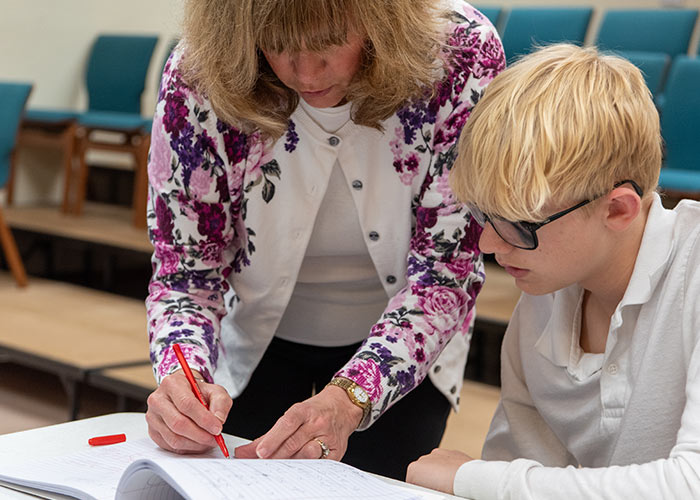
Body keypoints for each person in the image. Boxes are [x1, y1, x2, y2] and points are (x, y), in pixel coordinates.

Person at [144, 0, 505, 480]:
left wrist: (350, 397)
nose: (305, 72)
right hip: (252, 339)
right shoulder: (202, 70)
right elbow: (186, 274)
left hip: (406, 348)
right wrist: (181, 375)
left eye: (328, 43)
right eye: (276, 44)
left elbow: (445, 273)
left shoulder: (459, 54)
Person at [406, 43, 700, 497]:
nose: (487, 244)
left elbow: (690, 482)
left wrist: (471, 477)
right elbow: (521, 472)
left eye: (519, 225)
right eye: (485, 216)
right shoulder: (544, 296)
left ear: (619, 209)